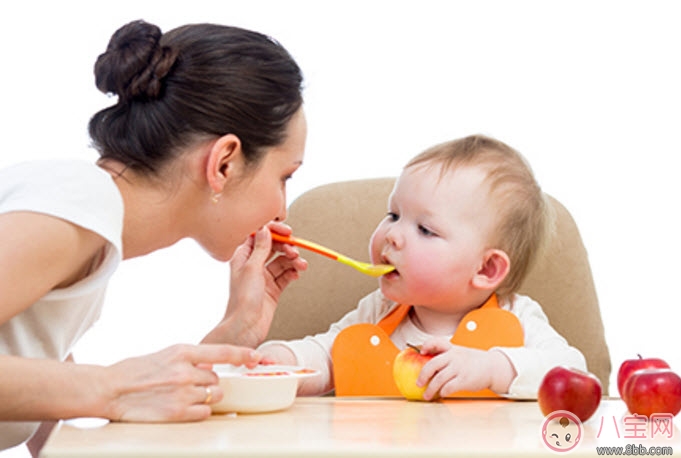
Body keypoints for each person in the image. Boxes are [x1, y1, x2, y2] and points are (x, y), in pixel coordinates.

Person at [0, 20, 308, 455]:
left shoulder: (86, 223)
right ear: (224, 163)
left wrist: (234, 331)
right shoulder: (77, 203)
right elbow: (88, 394)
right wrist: (110, 387)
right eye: (285, 176)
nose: (282, 210)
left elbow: (48, 420)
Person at [258, 134, 587, 400]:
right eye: (394, 215)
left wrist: (493, 367)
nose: (393, 235)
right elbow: (328, 354)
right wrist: (282, 360)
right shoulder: (379, 311)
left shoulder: (517, 318)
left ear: (486, 269)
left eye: (425, 230)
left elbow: (573, 371)